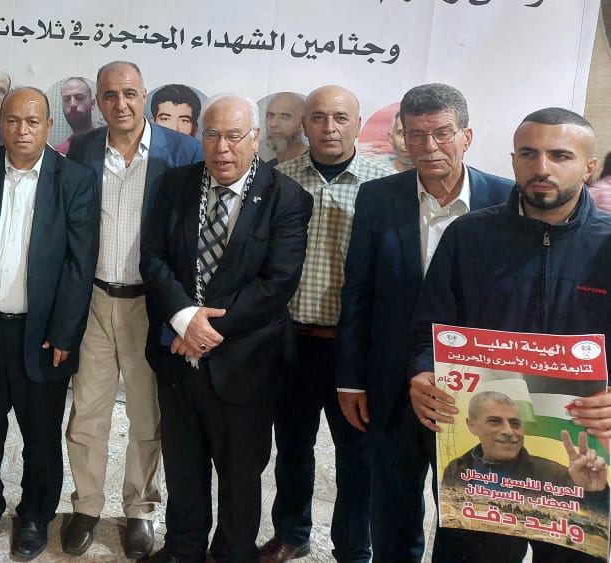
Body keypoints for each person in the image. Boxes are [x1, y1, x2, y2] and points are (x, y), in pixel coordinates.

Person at [410, 107, 611, 563]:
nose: (542, 167)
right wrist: (422, 372)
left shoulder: (607, 245)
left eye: (560, 155)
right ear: (514, 159)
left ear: (589, 166)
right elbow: (430, 327)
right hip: (481, 469)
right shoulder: (469, 237)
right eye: (528, 153)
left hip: (581, 452)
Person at [335, 83, 511, 563]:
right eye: (416, 135)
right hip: (392, 384)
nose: (429, 146)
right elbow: (359, 292)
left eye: (442, 133)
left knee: (464, 516)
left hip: (475, 388)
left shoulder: (506, 198)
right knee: (392, 510)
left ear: (466, 136)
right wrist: (351, 379)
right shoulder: (378, 198)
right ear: (402, 139)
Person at [141, 95, 313, 563]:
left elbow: (277, 282)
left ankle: (233, 552)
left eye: (234, 136)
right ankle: (183, 547)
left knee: (240, 471)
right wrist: (183, 317)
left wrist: (203, 327)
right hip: (177, 355)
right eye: (212, 135)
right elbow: (152, 257)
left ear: (254, 138)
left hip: (247, 361)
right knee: (182, 463)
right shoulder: (175, 184)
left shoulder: (287, 198)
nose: (222, 148)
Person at [0, 87, 98, 560]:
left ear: (48, 126)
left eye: (32, 121)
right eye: (12, 121)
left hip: (43, 334)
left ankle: (35, 515)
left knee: (41, 433)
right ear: (0, 124)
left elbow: (79, 264)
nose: (21, 130)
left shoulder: (74, 180)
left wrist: (65, 331)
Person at [61, 62, 201, 559]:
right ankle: (86, 506)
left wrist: (186, 310)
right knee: (86, 414)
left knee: (147, 415)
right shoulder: (81, 149)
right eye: (109, 95)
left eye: (129, 94)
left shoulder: (182, 152)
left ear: (144, 96)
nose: (120, 104)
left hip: (152, 304)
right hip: (95, 300)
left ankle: (140, 509)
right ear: (98, 101)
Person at [263, 86, 393, 563]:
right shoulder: (279, 179)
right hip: (291, 340)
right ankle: (291, 534)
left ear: (358, 123)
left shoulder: (386, 185)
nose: (329, 127)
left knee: (358, 454)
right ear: (304, 124)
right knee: (292, 447)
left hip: (354, 346)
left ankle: (354, 548)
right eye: (318, 117)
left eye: (341, 117)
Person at [440, 391, 607, 492]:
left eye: (515, 423)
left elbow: (590, 521)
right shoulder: (456, 468)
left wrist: (593, 491)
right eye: (495, 421)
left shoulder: (557, 475)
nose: (508, 431)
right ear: (472, 425)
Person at [54, 77, 96, 154]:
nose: (72, 104)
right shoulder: (57, 153)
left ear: (92, 104)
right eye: (66, 99)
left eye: (79, 98)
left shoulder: (110, 144)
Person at [263, 92, 307, 164]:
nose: (274, 124)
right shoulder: (266, 167)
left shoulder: (317, 164)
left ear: (303, 123)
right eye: (271, 115)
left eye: (285, 116)